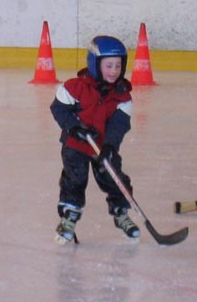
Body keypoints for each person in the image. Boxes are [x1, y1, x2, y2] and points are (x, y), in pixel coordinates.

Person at [50, 36, 138, 245]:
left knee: (114, 177)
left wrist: (110, 145)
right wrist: (74, 127)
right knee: (75, 180)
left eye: (118, 65)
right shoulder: (75, 87)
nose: (114, 70)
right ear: (95, 64)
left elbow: (120, 124)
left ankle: (121, 213)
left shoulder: (122, 96)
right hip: (75, 146)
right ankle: (69, 219)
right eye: (109, 65)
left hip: (103, 147)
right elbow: (59, 109)